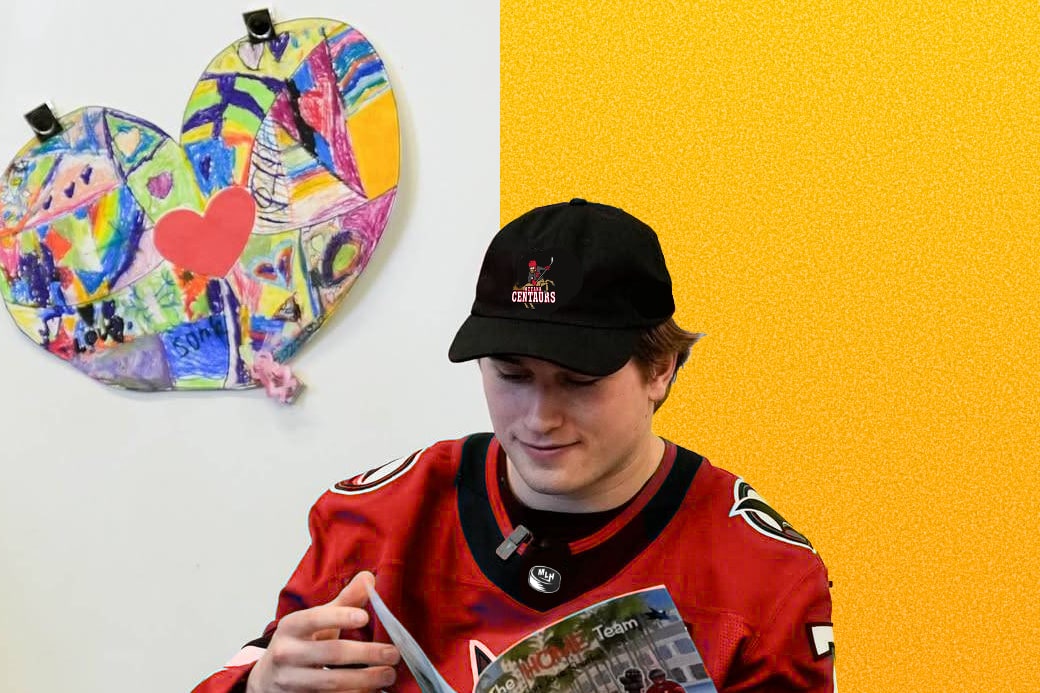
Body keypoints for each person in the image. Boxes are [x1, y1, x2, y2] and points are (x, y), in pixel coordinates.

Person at [192, 199, 836, 693]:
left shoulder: (765, 576)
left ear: (660, 371)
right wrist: (261, 685)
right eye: (511, 375)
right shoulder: (373, 520)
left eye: (578, 382)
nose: (539, 418)